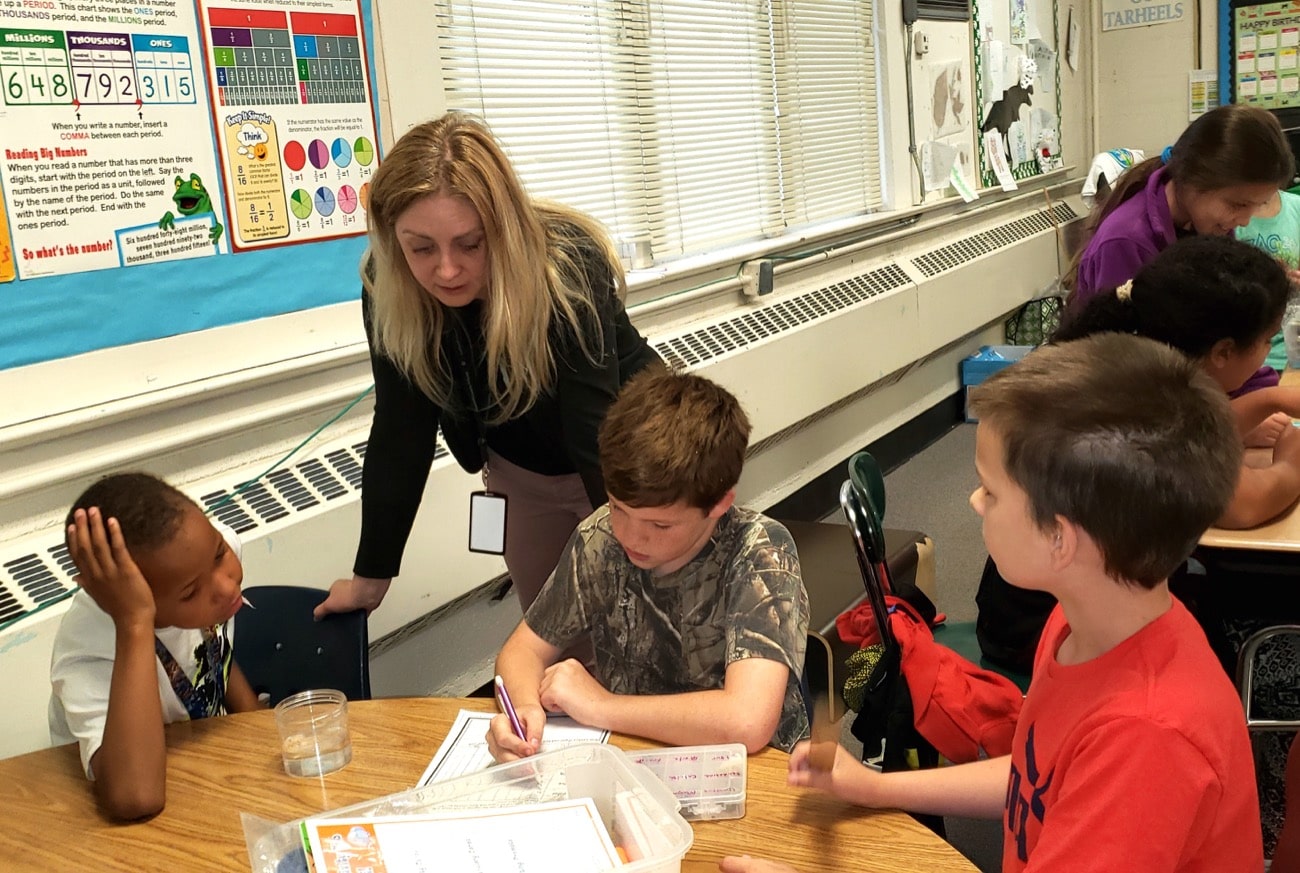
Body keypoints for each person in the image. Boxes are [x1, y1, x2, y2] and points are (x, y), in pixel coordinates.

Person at [722, 333, 1263, 872]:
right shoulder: (1083, 623)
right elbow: (1037, 778)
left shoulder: (1146, 738)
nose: (974, 502)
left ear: (1060, 539)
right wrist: (876, 787)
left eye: (991, 491)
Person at [315, 112, 660, 620]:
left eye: (470, 244)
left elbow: (595, 427)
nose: (447, 269)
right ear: (392, 238)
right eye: (421, 248)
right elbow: (400, 429)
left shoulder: (564, 264)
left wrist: (645, 540)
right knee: (554, 630)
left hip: (625, 453)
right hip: (519, 468)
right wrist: (371, 577)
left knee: (643, 621)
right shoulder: (385, 283)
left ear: (503, 227)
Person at [977, 235, 1300, 676]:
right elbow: (1242, 502)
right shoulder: (1146, 402)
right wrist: (1292, 460)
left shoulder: (1137, 366)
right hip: (1048, 628)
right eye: (1267, 340)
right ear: (1222, 352)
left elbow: (1198, 438)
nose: (1270, 349)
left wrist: (1269, 402)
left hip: (1050, 599)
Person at [485, 369, 809, 760]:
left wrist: (601, 705)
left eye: (660, 524)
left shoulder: (760, 552)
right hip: (638, 762)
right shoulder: (600, 538)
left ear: (719, 505)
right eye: (618, 508)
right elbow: (520, 653)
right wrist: (524, 714)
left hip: (754, 776)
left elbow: (747, 721)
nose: (630, 537)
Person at [48, 473, 261, 820]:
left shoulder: (198, 555)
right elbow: (135, 798)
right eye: (190, 592)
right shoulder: (88, 649)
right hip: (131, 809)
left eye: (220, 554)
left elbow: (213, 652)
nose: (226, 586)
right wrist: (134, 622)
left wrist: (257, 724)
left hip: (206, 771)